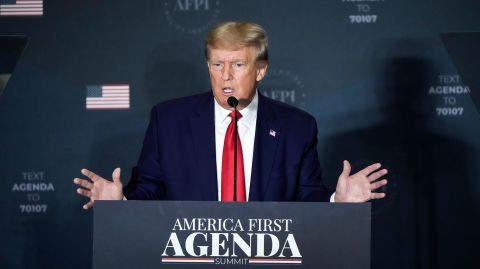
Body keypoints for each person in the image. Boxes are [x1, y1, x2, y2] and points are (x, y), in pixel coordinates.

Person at [73, 21, 388, 209]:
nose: (225, 76)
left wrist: (338, 204)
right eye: (216, 64)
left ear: (260, 70)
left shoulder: (297, 127)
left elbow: (307, 200)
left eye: (238, 65)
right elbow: (149, 190)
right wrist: (120, 205)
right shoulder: (168, 121)